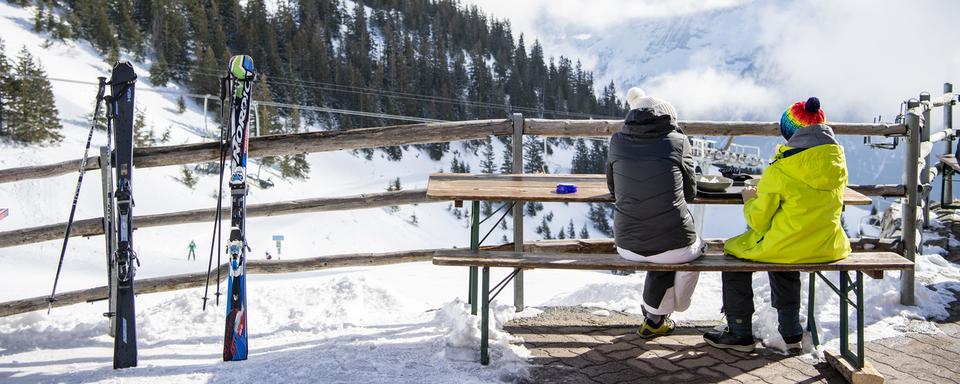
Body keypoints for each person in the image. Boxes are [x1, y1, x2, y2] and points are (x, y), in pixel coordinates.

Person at [704, 97, 851, 353]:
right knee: (785, 255)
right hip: (829, 246)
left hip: (793, 245)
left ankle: (739, 332)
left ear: (791, 133)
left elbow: (758, 221)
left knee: (733, 256)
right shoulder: (836, 162)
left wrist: (750, 196)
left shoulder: (781, 169)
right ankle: (792, 332)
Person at [606, 87, 702, 338]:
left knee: (663, 248)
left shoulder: (616, 141)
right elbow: (690, 193)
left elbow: (613, 189)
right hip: (674, 245)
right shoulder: (678, 141)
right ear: (669, 119)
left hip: (626, 244)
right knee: (693, 249)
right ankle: (672, 308)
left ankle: (655, 317)